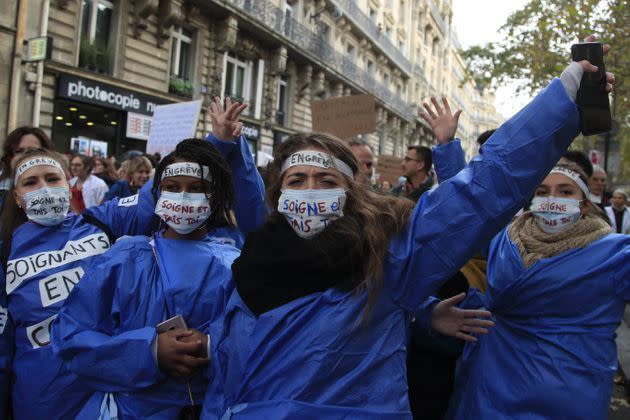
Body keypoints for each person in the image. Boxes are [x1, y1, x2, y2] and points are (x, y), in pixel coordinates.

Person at [201, 52, 610, 417]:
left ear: (350, 191)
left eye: (326, 179)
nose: (310, 190)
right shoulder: (251, 258)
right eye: (298, 179)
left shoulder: (388, 251)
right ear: (279, 192)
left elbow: (484, 188)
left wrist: (563, 98)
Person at [51, 99, 265, 418]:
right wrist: (148, 351)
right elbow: (70, 338)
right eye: (171, 187)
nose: (182, 196)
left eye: (196, 188)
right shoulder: (124, 259)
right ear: (157, 195)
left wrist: (211, 345)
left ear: (216, 197)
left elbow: (255, 342)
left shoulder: (234, 265)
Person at [446, 162, 629, 419]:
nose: (552, 199)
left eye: (566, 192)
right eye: (543, 191)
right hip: (492, 385)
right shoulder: (505, 239)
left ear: (585, 205)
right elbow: (469, 207)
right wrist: (447, 152)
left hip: (568, 394)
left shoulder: (616, 254)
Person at [0, 148, 156, 419]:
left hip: (112, 388)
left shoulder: (100, 221)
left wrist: (218, 141)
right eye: (31, 182)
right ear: (18, 198)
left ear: (68, 185)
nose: (44, 189)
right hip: (45, 401)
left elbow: (157, 192)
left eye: (52, 178)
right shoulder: (5, 253)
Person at [0, 126, 54, 212]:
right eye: (18, 151)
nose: (25, 156)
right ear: (10, 157)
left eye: (32, 151)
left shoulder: (57, 191)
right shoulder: (2, 189)